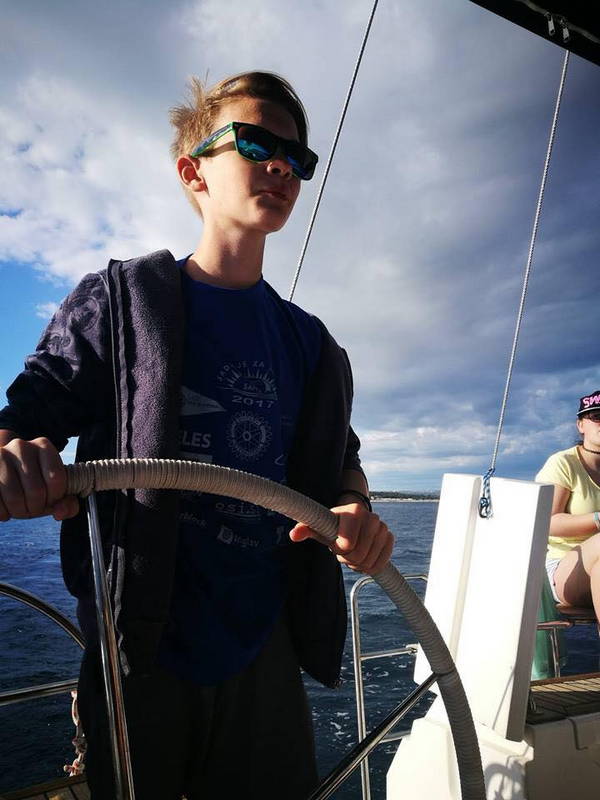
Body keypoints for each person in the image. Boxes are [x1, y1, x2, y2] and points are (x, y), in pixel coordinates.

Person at [0, 72, 394, 799]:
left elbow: (342, 459)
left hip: (263, 647)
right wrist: (15, 457)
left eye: (297, 158)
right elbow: (26, 416)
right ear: (193, 172)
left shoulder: (313, 346)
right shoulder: (120, 304)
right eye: (257, 144)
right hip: (138, 649)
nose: (282, 166)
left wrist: (354, 506)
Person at [536, 389, 600, 620]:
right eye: (597, 417)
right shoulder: (563, 463)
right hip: (565, 567)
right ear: (581, 425)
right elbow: (548, 522)